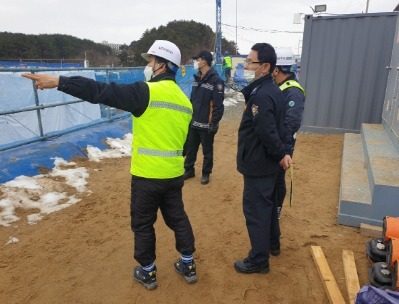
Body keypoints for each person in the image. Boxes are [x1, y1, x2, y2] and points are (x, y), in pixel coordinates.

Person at [22, 40, 197, 290]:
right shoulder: (184, 101)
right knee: (177, 218)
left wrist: (61, 82)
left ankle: (148, 272)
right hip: (173, 174)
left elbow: (102, 91)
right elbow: (187, 143)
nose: (147, 65)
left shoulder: (146, 92)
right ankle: (188, 264)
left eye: (150, 61)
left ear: (161, 65)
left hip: (147, 175)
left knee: (143, 224)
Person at [234, 43, 291, 274]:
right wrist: (281, 154)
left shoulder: (262, 95)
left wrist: (280, 154)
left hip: (259, 163)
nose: (246, 66)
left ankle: (258, 260)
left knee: (257, 211)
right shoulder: (269, 89)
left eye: (250, 62)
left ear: (265, 67)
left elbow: (267, 131)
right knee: (267, 206)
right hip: (265, 161)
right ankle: (272, 243)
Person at [273, 48, 306, 219]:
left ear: (277, 69)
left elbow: (291, 123)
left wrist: (284, 150)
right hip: (275, 141)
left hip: (283, 143)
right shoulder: (280, 87)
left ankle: (277, 210)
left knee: (278, 177)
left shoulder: (293, 91)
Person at [183, 50, 224, 185]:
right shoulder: (197, 79)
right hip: (194, 121)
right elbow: (192, 100)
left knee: (207, 151)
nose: (195, 62)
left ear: (204, 61)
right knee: (191, 148)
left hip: (206, 123)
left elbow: (218, 104)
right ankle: (189, 170)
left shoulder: (216, 81)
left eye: (197, 59)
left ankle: (206, 173)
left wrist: (214, 122)